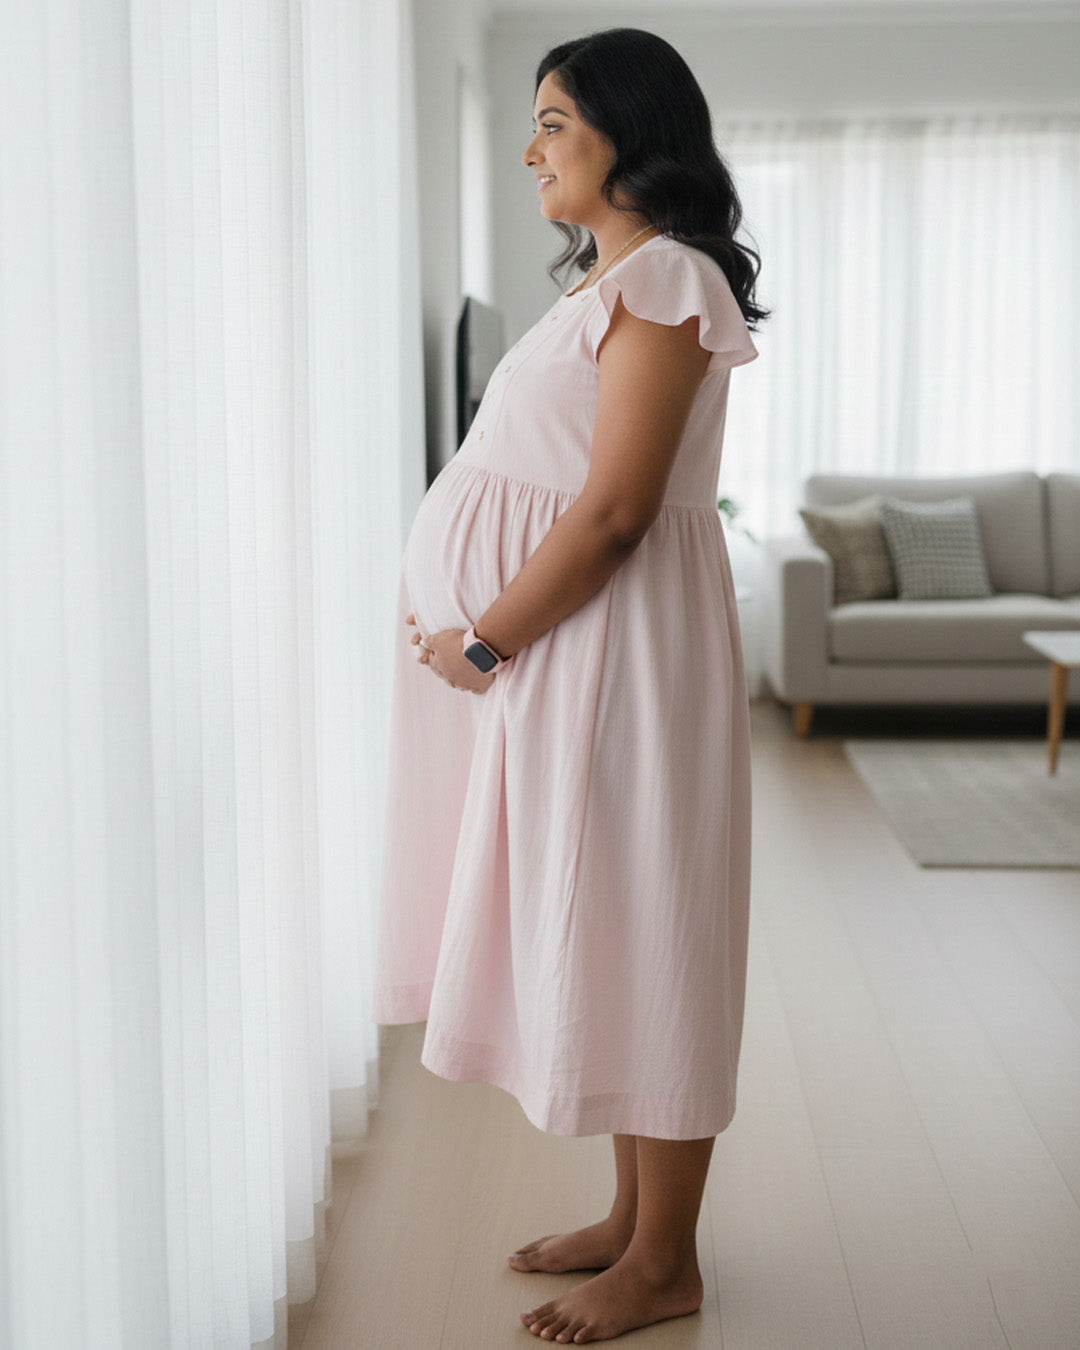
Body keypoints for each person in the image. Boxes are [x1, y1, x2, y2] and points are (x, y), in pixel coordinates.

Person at [374, 26, 766, 1345]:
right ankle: (632, 1222)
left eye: (554, 122)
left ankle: (666, 1263)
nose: (531, 147)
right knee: (614, 921)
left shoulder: (665, 279)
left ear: (628, 132)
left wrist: (485, 641)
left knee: (652, 922)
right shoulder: (618, 280)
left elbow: (613, 512)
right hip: (581, 653)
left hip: (615, 651)